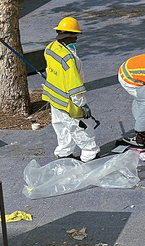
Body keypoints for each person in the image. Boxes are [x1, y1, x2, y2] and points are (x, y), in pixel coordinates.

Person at [42, 17, 100, 162]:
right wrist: (82, 104)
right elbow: (74, 85)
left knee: (61, 126)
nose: (76, 40)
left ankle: (64, 152)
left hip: (54, 98)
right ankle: (90, 155)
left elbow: (50, 70)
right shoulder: (69, 59)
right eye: (74, 37)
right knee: (81, 128)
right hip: (69, 101)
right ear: (68, 37)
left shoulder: (50, 48)